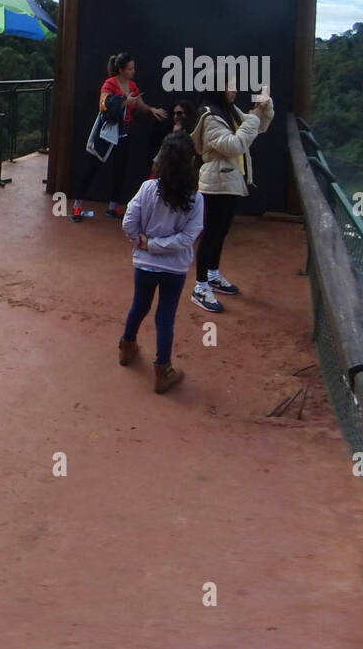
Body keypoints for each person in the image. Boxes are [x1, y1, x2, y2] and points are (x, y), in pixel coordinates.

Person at [118, 130, 206, 394]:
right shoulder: (196, 199)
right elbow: (189, 237)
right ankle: (162, 371)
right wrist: (159, 247)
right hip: (174, 269)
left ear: (162, 160)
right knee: (165, 317)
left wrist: (144, 243)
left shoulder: (147, 188)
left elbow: (128, 223)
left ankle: (126, 347)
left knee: (138, 306)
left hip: (143, 264)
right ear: (191, 163)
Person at [188, 87, 273, 312]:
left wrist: (263, 108)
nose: (234, 90)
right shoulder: (209, 115)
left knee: (221, 231)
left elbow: (258, 128)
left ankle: (213, 275)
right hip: (215, 182)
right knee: (210, 235)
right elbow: (233, 145)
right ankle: (200, 287)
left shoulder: (229, 110)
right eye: (229, 86)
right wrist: (254, 115)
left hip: (230, 181)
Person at [69, 53, 150, 221]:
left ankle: (113, 207)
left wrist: (152, 110)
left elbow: (139, 104)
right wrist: (123, 101)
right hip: (107, 133)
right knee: (92, 168)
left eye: (133, 68)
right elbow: (103, 104)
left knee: (120, 170)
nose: (133, 71)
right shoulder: (110, 83)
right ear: (121, 70)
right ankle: (77, 206)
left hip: (123, 133)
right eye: (130, 68)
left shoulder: (132, 85)